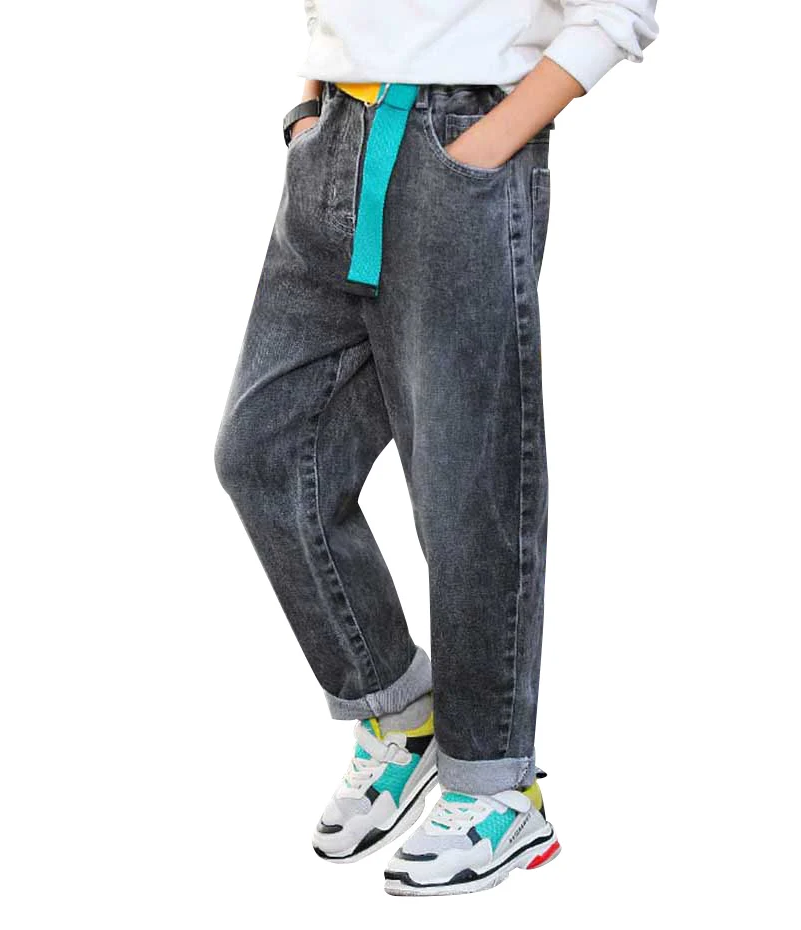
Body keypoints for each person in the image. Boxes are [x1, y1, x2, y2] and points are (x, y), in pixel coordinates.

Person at [214, 0, 658, 897]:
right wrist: (310, 106)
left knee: (463, 486)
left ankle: (496, 786)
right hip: (335, 137)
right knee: (264, 451)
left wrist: (486, 144)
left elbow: (619, 10)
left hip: (457, 139)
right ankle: (398, 705)